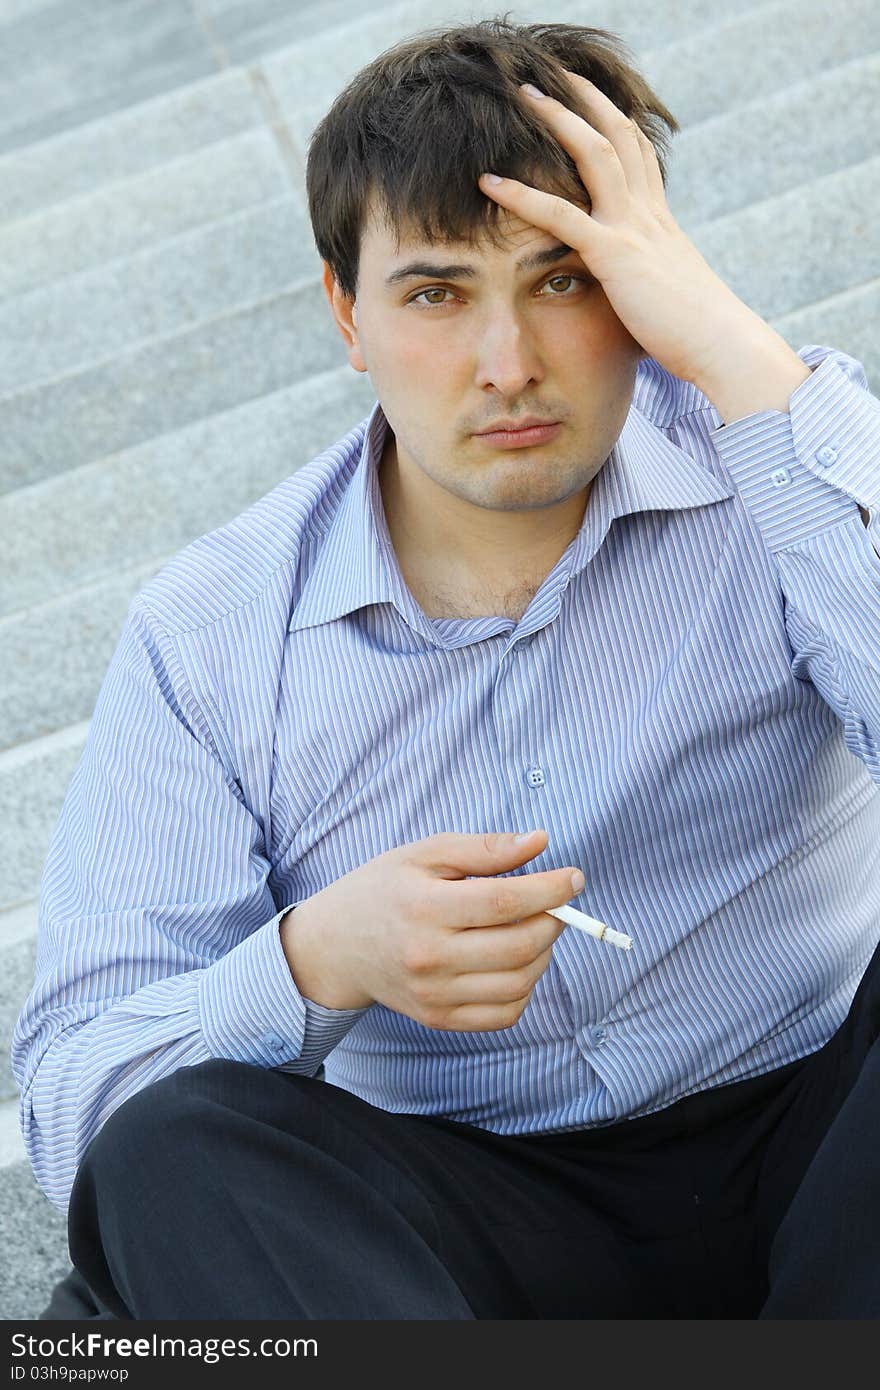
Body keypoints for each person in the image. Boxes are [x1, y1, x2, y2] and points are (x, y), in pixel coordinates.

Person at [12, 15, 880, 1320]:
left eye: (564, 277)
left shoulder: (771, 448)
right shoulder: (213, 635)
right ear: (344, 312)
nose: (508, 363)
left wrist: (727, 345)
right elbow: (82, 1104)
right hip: (465, 1237)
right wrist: (318, 959)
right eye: (436, 293)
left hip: (828, 1134)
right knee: (170, 1160)